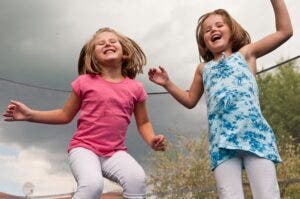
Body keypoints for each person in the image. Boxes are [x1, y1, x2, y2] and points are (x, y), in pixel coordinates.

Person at [148, 0, 292, 198]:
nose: (213, 30)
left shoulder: (246, 55)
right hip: (221, 143)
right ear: (204, 41)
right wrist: (168, 84)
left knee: (267, 194)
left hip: (255, 136)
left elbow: (285, 31)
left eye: (218, 25)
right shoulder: (203, 69)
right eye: (207, 30)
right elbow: (190, 100)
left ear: (232, 31)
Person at [3, 27, 166, 199]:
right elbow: (65, 115)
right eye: (100, 43)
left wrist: (151, 139)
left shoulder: (136, 88)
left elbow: (143, 122)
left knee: (137, 179)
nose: (107, 44)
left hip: (115, 152)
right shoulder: (84, 82)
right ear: (93, 57)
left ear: (124, 52)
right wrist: (30, 115)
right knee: (92, 185)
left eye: (112, 41)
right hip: (84, 148)